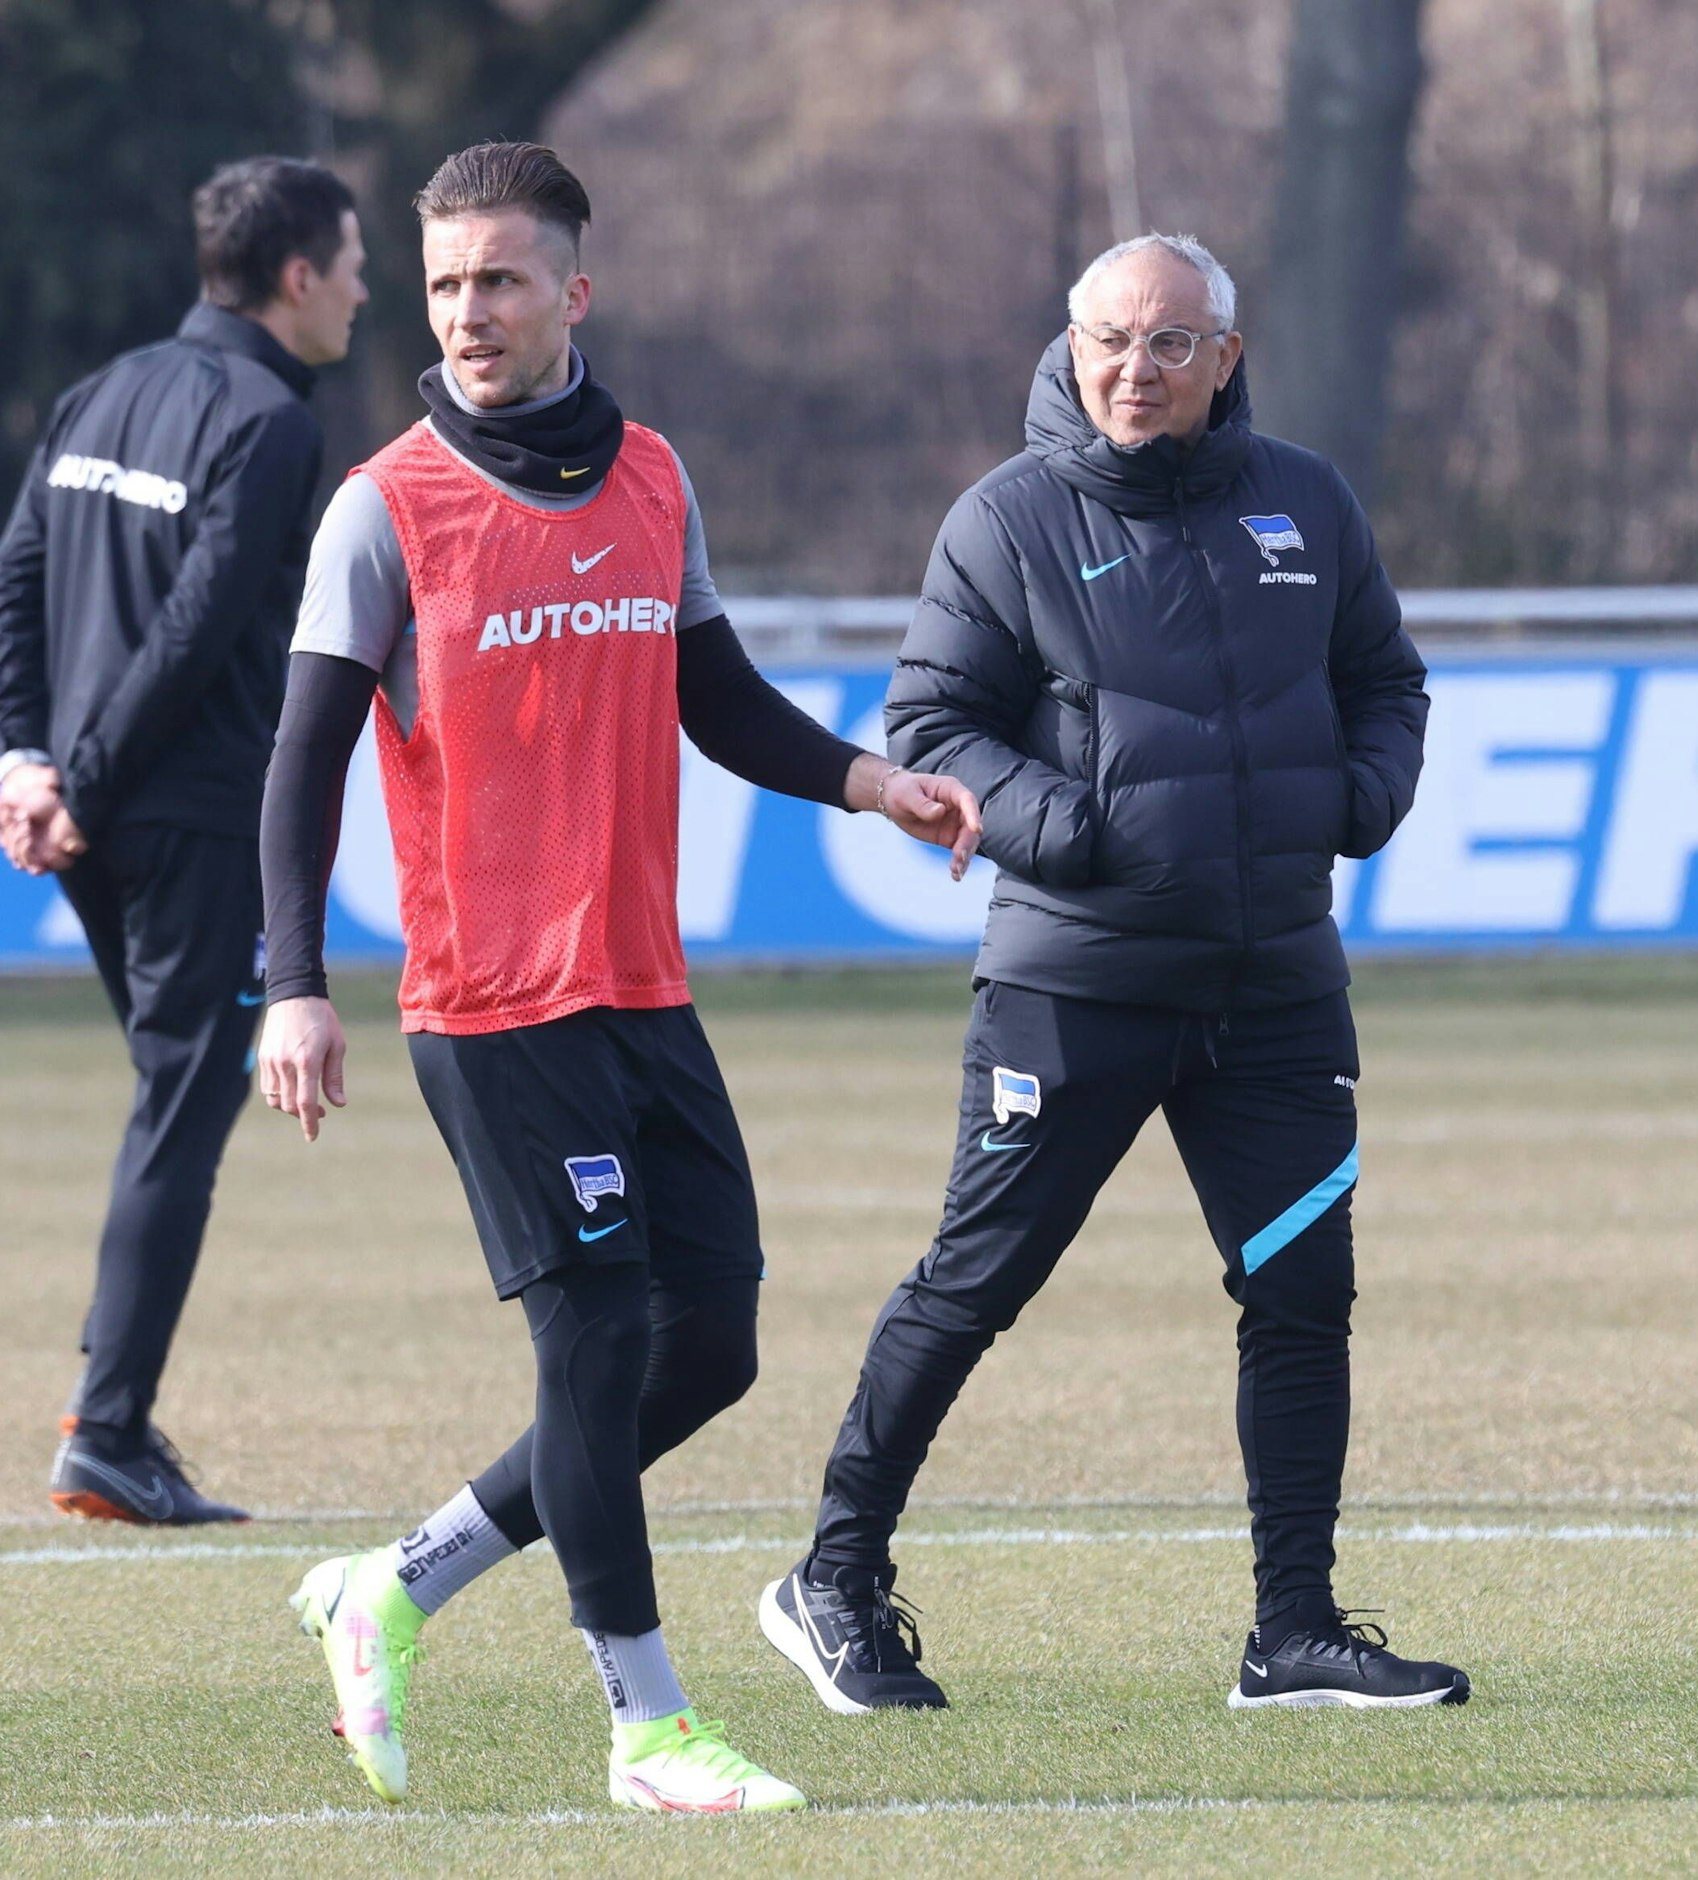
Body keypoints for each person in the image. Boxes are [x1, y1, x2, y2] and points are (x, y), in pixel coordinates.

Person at [257, 141, 979, 1815]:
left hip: (641, 989)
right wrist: (291, 982)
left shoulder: (654, 475)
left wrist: (870, 781)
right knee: (587, 1352)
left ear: (574, 291)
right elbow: (298, 766)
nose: (466, 313)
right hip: (489, 1007)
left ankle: (400, 1584)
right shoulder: (385, 505)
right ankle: (647, 1729)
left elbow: (710, 691)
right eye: (441, 286)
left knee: (708, 1346)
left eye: (499, 280)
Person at [759, 232, 1470, 1716]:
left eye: (1167, 344)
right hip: (1073, 988)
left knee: (1301, 1297)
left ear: (1224, 353)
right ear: (1071, 346)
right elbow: (934, 724)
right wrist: (1070, 832)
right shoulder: (1005, 520)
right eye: (1108, 341)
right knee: (976, 1284)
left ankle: (1294, 1632)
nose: (1133, 371)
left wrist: (1357, 798)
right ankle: (832, 1579)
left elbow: (1385, 681)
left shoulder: (1309, 503)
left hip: (1276, 988)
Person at [0, 157, 367, 1525]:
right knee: (181, 1109)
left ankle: (111, 1419)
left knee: (169, 1097)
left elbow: (19, 577)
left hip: (93, 816)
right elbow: (201, 626)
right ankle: (108, 1431)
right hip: (188, 820)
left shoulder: (105, 390)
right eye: (352, 264)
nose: (363, 290)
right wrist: (75, 778)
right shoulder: (270, 422)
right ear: (295, 276)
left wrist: (29, 761)